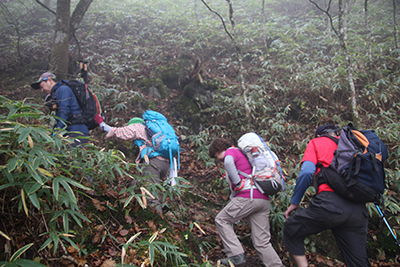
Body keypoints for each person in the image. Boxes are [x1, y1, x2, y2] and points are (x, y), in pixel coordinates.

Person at [283, 124, 371, 267]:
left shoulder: (316, 142)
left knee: (291, 230)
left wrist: (295, 201)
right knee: (358, 262)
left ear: (319, 135)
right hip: (358, 209)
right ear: (337, 133)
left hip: (330, 204)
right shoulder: (353, 145)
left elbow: (307, 172)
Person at [208, 138, 284, 267]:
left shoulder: (231, 152)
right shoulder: (241, 154)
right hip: (263, 199)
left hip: (248, 197)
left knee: (222, 220)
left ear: (218, 150)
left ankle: (235, 255)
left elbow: (228, 160)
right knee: (262, 241)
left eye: (216, 156)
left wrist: (237, 182)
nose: (218, 159)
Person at [94, 114, 171, 214]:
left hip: (153, 164)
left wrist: (101, 124)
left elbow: (118, 132)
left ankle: (157, 220)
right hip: (164, 164)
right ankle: (137, 213)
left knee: (151, 195)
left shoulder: (138, 127)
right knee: (136, 185)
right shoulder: (152, 131)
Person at [31, 72, 89, 147]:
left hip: (76, 131)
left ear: (49, 80)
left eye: (42, 86)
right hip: (69, 131)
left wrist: (58, 130)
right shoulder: (56, 93)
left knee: (73, 156)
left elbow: (64, 111)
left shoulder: (63, 89)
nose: (42, 90)